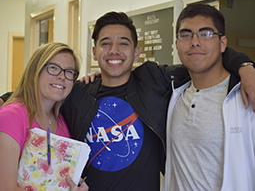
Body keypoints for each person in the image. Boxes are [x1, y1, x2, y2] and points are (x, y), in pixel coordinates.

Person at [61, 11, 255, 191]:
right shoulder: (77, 94)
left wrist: (244, 66)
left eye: (123, 43)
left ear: (136, 53)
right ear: (94, 52)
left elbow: (200, 59)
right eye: (105, 43)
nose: (114, 50)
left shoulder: (154, 81)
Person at [163, 3, 255, 191]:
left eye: (205, 34)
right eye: (186, 34)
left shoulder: (246, 95)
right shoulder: (173, 92)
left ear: (223, 43)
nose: (195, 42)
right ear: (177, 45)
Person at [0, 42, 88, 191]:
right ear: (35, 71)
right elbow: (5, 188)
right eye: (53, 68)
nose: (62, 77)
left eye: (69, 72)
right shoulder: (11, 116)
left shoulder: (60, 122)